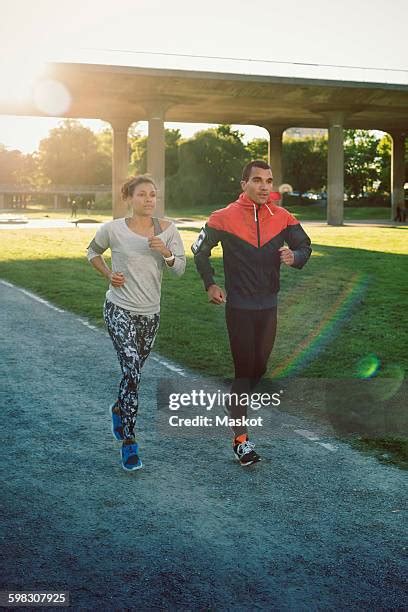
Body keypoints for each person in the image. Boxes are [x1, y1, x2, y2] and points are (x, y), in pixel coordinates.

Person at [192, 160, 312, 466]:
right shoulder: (223, 217)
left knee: (259, 368)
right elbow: (200, 250)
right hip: (240, 308)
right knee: (245, 371)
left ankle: (234, 404)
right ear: (244, 183)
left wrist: (294, 254)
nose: (264, 186)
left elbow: (304, 245)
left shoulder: (282, 216)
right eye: (257, 180)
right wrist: (210, 284)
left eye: (269, 181)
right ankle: (241, 441)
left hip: (268, 305)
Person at [87, 175, 186, 471]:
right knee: (132, 369)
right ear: (128, 198)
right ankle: (129, 442)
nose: (149, 200)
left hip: (150, 314)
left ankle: (119, 407)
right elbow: (92, 251)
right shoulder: (113, 229)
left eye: (152, 195)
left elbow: (180, 268)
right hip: (119, 308)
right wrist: (108, 274)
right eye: (142, 195)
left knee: (134, 373)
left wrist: (166, 253)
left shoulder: (168, 231)